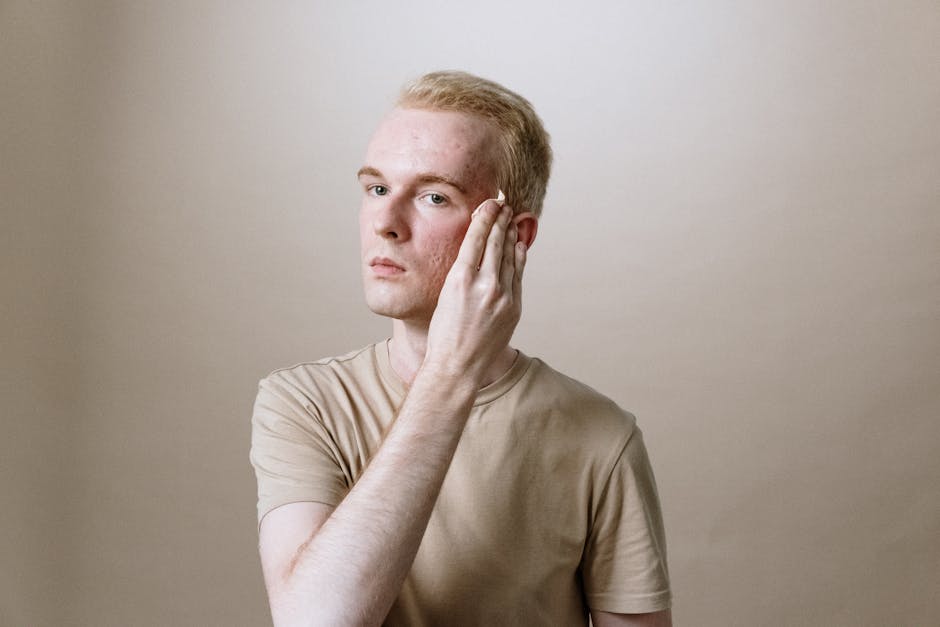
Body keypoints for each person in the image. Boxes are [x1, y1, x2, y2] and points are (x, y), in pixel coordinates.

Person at [250, 70, 672, 626]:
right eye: (376, 189)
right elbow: (316, 621)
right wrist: (450, 375)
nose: (385, 223)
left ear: (514, 237)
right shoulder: (304, 404)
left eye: (432, 196)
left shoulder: (602, 436)